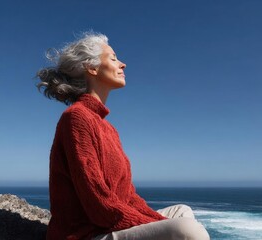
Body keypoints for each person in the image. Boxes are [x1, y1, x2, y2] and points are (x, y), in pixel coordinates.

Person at [36, 32, 210, 240]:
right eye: (113, 58)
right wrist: (162, 225)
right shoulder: (76, 118)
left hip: (105, 225)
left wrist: (159, 221)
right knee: (187, 231)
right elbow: (99, 206)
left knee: (182, 212)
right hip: (86, 233)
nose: (123, 64)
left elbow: (128, 197)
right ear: (92, 68)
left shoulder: (108, 128)